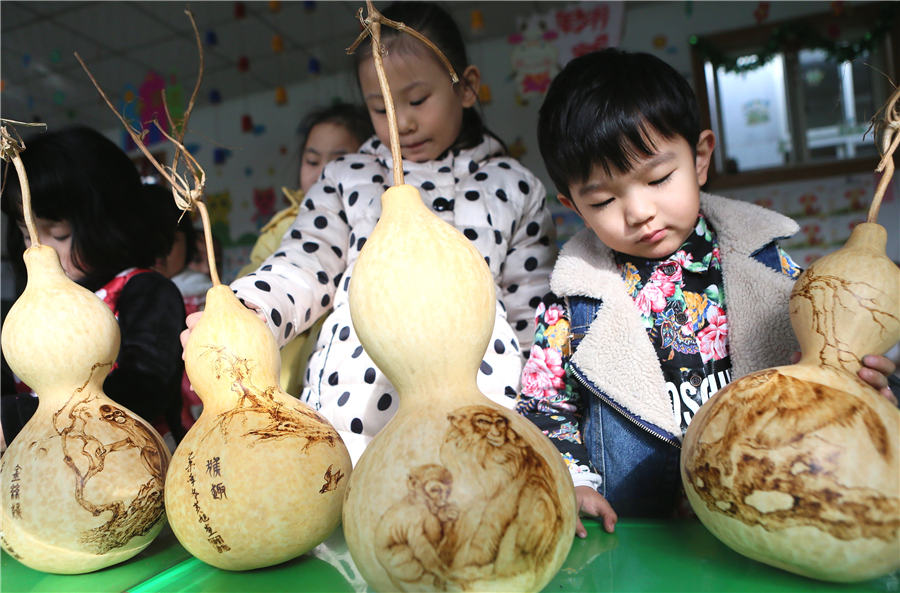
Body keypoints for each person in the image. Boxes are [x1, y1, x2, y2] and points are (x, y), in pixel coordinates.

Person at [515, 48, 898, 538]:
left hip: (767, 516)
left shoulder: (771, 267)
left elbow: (821, 365)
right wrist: (571, 480)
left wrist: (864, 381)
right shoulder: (573, 304)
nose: (639, 212)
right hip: (640, 536)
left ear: (699, 159)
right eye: (604, 200)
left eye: (657, 179)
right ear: (573, 206)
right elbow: (544, 408)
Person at [187, 1, 557, 463]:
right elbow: (303, 267)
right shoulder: (347, 176)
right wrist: (246, 311)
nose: (402, 123)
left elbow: (533, 318)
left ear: (466, 88)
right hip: (355, 410)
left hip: (482, 410)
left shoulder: (514, 184)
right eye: (381, 108)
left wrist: (547, 431)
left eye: (418, 100)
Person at [1, 126, 188, 450]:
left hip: (132, 474)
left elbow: (142, 391)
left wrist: (19, 418)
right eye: (26, 232)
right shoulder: (21, 313)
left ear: (110, 224)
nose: (37, 250)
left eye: (57, 234)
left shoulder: (144, 292)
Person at [236, 103, 373, 398]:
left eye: (340, 160)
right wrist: (244, 308)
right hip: (283, 381)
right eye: (312, 161)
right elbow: (259, 278)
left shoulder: (374, 221)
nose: (323, 173)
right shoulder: (279, 228)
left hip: (343, 379)